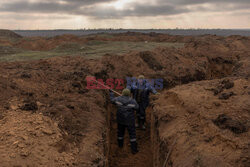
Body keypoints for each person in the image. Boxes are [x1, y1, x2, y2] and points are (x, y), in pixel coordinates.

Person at [110, 88, 139, 154]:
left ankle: (120, 146)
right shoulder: (132, 100)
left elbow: (112, 100)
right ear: (129, 94)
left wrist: (111, 93)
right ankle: (134, 150)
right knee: (132, 135)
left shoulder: (118, 99)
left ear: (122, 93)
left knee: (120, 133)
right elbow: (137, 107)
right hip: (130, 121)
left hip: (120, 120)